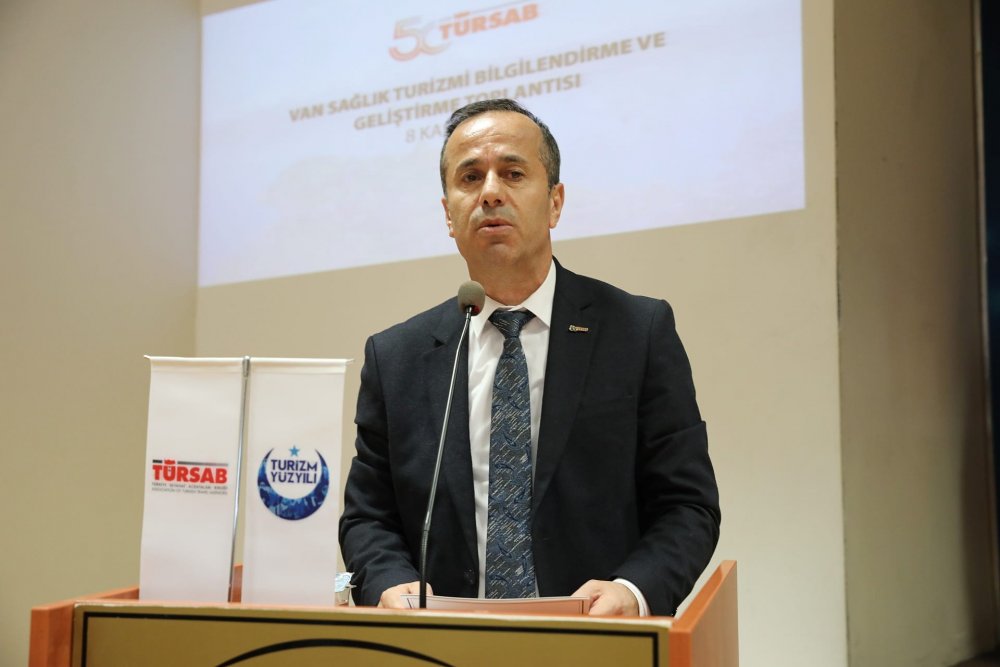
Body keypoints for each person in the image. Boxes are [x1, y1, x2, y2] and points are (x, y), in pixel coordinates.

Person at [339, 98, 720, 616]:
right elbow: (368, 517)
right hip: (440, 642)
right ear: (448, 214)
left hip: (595, 639)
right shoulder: (397, 357)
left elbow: (687, 505)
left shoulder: (637, 332)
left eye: (513, 173)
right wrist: (389, 583)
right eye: (470, 177)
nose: (491, 192)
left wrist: (633, 590)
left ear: (555, 202)